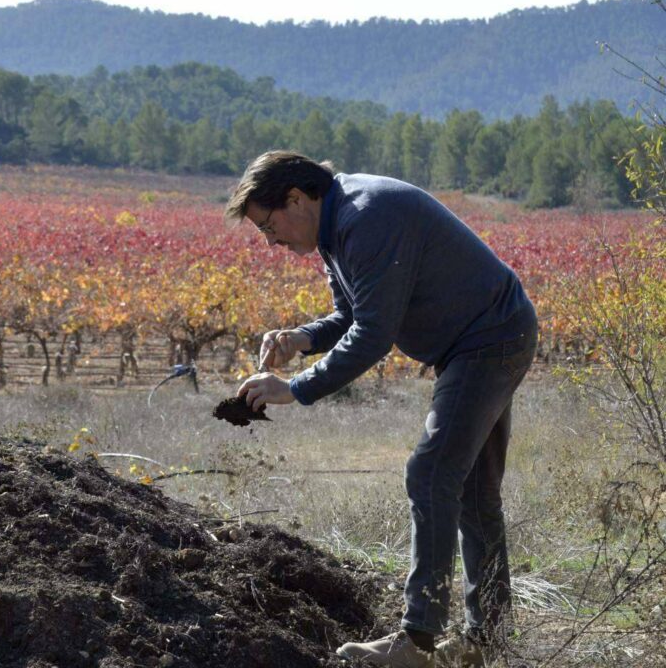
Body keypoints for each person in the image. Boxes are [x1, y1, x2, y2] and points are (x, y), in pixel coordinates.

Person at [227, 151, 537, 668]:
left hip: (488, 341)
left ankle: (417, 642)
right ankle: (490, 642)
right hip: (488, 338)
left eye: (267, 225)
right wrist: (302, 338)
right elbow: (352, 313)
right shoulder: (337, 226)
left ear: (296, 199)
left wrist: (295, 388)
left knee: (431, 472)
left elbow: (373, 334)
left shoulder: (366, 217)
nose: (271, 240)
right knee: (474, 493)